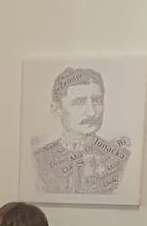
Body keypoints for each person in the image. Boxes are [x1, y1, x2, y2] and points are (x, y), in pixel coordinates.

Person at [31, 65, 132, 195]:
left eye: (96, 101)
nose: (91, 112)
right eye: (79, 102)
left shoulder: (121, 159)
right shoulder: (38, 160)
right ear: (57, 110)